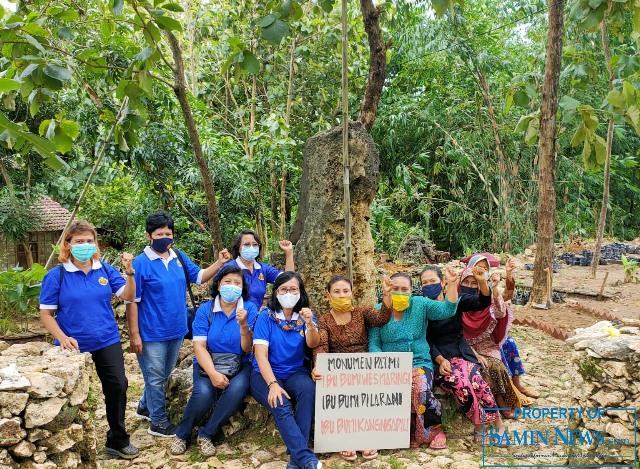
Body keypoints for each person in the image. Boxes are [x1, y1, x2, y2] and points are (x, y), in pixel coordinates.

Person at [39, 220, 139, 459]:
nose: (85, 245)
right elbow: (46, 313)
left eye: (89, 241)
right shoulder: (57, 276)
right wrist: (61, 337)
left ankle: (117, 439)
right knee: (68, 396)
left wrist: (130, 272)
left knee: (118, 386)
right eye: (79, 241)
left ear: (96, 244)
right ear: (68, 245)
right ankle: (65, 443)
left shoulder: (104, 270)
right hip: (71, 344)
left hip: (106, 338)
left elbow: (128, 296)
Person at [126, 211, 225, 437]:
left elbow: (199, 277)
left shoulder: (178, 257)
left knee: (164, 373)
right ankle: (158, 421)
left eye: (168, 233)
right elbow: (131, 301)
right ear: (148, 236)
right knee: (155, 377)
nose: (165, 237)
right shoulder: (140, 264)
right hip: (151, 332)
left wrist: (219, 263)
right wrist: (134, 334)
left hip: (177, 329)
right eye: (159, 233)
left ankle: (144, 405)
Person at [170, 265, 258, 456]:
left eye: (237, 283)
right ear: (218, 285)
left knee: (236, 390)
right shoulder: (205, 310)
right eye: (227, 282)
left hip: (240, 362)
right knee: (203, 393)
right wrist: (213, 374)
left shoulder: (249, 308)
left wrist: (243, 325)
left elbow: (247, 348)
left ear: (242, 287)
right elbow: (199, 347)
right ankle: (182, 434)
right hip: (208, 362)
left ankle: (207, 433)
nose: (232, 286)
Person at [368, 268, 459, 450]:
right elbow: (374, 344)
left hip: (419, 362)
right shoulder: (378, 311)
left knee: (419, 388)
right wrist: (385, 364)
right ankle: (400, 432)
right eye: (396, 289)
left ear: (412, 291)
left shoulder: (420, 304)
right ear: (388, 290)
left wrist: (451, 283)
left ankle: (434, 429)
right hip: (389, 365)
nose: (400, 293)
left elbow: (447, 309)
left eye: (405, 290)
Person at [311, 275, 392, 462]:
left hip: (364, 367)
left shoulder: (361, 312)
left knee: (368, 397)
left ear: (352, 293)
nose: (341, 295)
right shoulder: (323, 320)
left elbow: (382, 318)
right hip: (339, 370)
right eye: (337, 292)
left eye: (345, 291)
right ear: (328, 295)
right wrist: (318, 366)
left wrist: (387, 295)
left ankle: (367, 439)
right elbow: (321, 346)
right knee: (342, 396)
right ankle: (344, 440)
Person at [422, 265, 507, 444]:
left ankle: (498, 423)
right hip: (439, 359)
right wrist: (439, 359)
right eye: (425, 283)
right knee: (461, 384)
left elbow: (482, 302)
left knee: (476, 381)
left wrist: (483, 282)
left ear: (443, 282)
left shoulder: (456, 299)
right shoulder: (422, 308)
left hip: (461, 353)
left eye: (433, 281)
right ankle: (479, 426)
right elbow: (425, 339)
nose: (429, 285)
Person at [250, 272, 321, 469]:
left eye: (293, 289)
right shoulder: (265, 317)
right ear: (276, 293)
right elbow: (260, 355)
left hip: (295, 371)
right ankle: (305, 458)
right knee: (279, 402)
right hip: (265, 374)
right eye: (283, 289)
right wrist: (272, 385)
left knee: (308, 391)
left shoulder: (306, 315)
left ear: (300, 292)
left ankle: (295, 459)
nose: (288, 293)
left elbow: (313, 343)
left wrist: (310, 325)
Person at [467, 255, 539, 400]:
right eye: (478, 267)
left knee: (509, 343)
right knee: (498, 352)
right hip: (473, 339)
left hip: (490, 335)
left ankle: (518, 384)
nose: (481, 270)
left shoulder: (487, 289)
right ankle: (511, 389)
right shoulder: (466, 288)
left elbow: (506, 297)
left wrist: (508, 275)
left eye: (485, 268)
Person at [458, 267, 523, 419]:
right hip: (464, 346)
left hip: (486, 345)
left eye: (475, 283)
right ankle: (499, 402)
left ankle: (507, 396)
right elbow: (457, 334)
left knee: (497, 364)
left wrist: (494, 289)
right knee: (485, 367)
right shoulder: (456, 303)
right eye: (466, 282)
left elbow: (500, 312)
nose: (471, 286)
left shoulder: (484, 301)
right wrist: (474, 354)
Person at [223, 229, 294, 309]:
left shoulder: (263, 269)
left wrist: (289, 253)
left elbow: (289, 279)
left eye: (255, 244)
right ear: (238, 248)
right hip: (232, 317)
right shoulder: (228, 268)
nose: (251, 247)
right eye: (247, 244)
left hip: (255, 318)